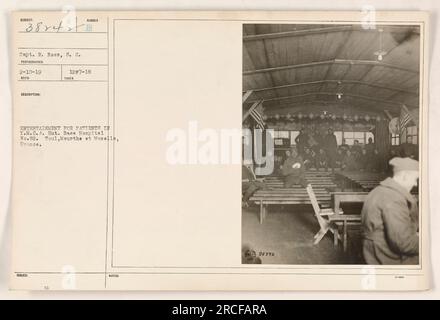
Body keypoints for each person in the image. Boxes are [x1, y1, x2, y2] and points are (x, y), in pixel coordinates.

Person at [361, 157, 419, 265]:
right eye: (415, 179)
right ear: (405, 176)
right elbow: (403, 243)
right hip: (385, 255)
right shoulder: (394, 198)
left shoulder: (379, 190)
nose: (415, 184)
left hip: (373, 250)